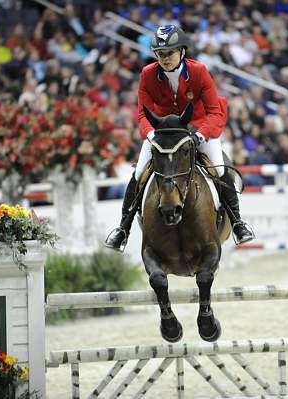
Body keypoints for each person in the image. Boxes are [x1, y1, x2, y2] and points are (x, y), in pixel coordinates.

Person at [105, 25, 255, 251]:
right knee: (138, 173)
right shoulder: (147, 74)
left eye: (170, 53)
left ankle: (237, 223)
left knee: (220, 169)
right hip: (164, 134)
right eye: (160, 54)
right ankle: (123, 229)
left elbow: (214, 111)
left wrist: (202, 135)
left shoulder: (199, 71)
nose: (165, 59)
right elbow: (142, 113)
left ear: (182, 52)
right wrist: (152, 134)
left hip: (200, 128)